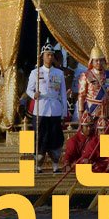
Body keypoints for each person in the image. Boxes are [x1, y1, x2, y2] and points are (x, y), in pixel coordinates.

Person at [27, 42, 66, 172]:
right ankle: (38, 165)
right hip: (41, 109)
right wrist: (34, 95)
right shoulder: (35, 72)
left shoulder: (59, 73)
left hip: (54, 108)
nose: (49, 57)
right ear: (42, 56)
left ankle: (55, 165)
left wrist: (64, 111)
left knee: (55, 137)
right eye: (47, 55)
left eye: (51, 55)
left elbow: (63, 93)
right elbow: (29, 90)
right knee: (40, 137)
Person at [77, 45, 109, 122]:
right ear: (92, 61)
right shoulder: (86, 75)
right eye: (96, 60)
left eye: (101, 60)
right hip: (91, 112)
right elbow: (81, 96)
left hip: (106, 112)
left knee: (107, 133)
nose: (99, 63)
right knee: (91, 133)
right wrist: (81, 113)